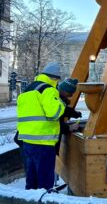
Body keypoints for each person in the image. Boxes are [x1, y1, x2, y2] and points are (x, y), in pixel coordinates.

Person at [17, 62, 66, 190]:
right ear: (55, 78)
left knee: (31, 181)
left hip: (27, 142)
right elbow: (54, 113)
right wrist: (61, 103)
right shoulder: (48, 89)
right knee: (44, 185)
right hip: (43, 143)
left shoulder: (27, 90)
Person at [56, 78, 82, 156]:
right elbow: (52, 125)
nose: (70, 97)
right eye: (70, 94)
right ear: (64, 91)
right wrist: (69, 128)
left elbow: (64, 110)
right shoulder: (55, 100)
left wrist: (75, 113)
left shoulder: (56, 98)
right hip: (44, 145)